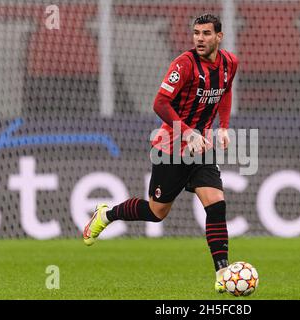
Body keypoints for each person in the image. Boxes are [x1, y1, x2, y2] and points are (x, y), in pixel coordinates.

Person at [83, 13, 238, 293]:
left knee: (216, 205)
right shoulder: (184, 64)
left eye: (206, 33)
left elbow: (224, 91)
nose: (199, 39)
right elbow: (160, 103)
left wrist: (224, 127)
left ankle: (223, 272)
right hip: (170, 148)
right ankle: (106, 215)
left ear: (219, 37)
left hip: (200, 148)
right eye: (196, 33)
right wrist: (188, 131)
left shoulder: (230, 63)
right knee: (157, 212)